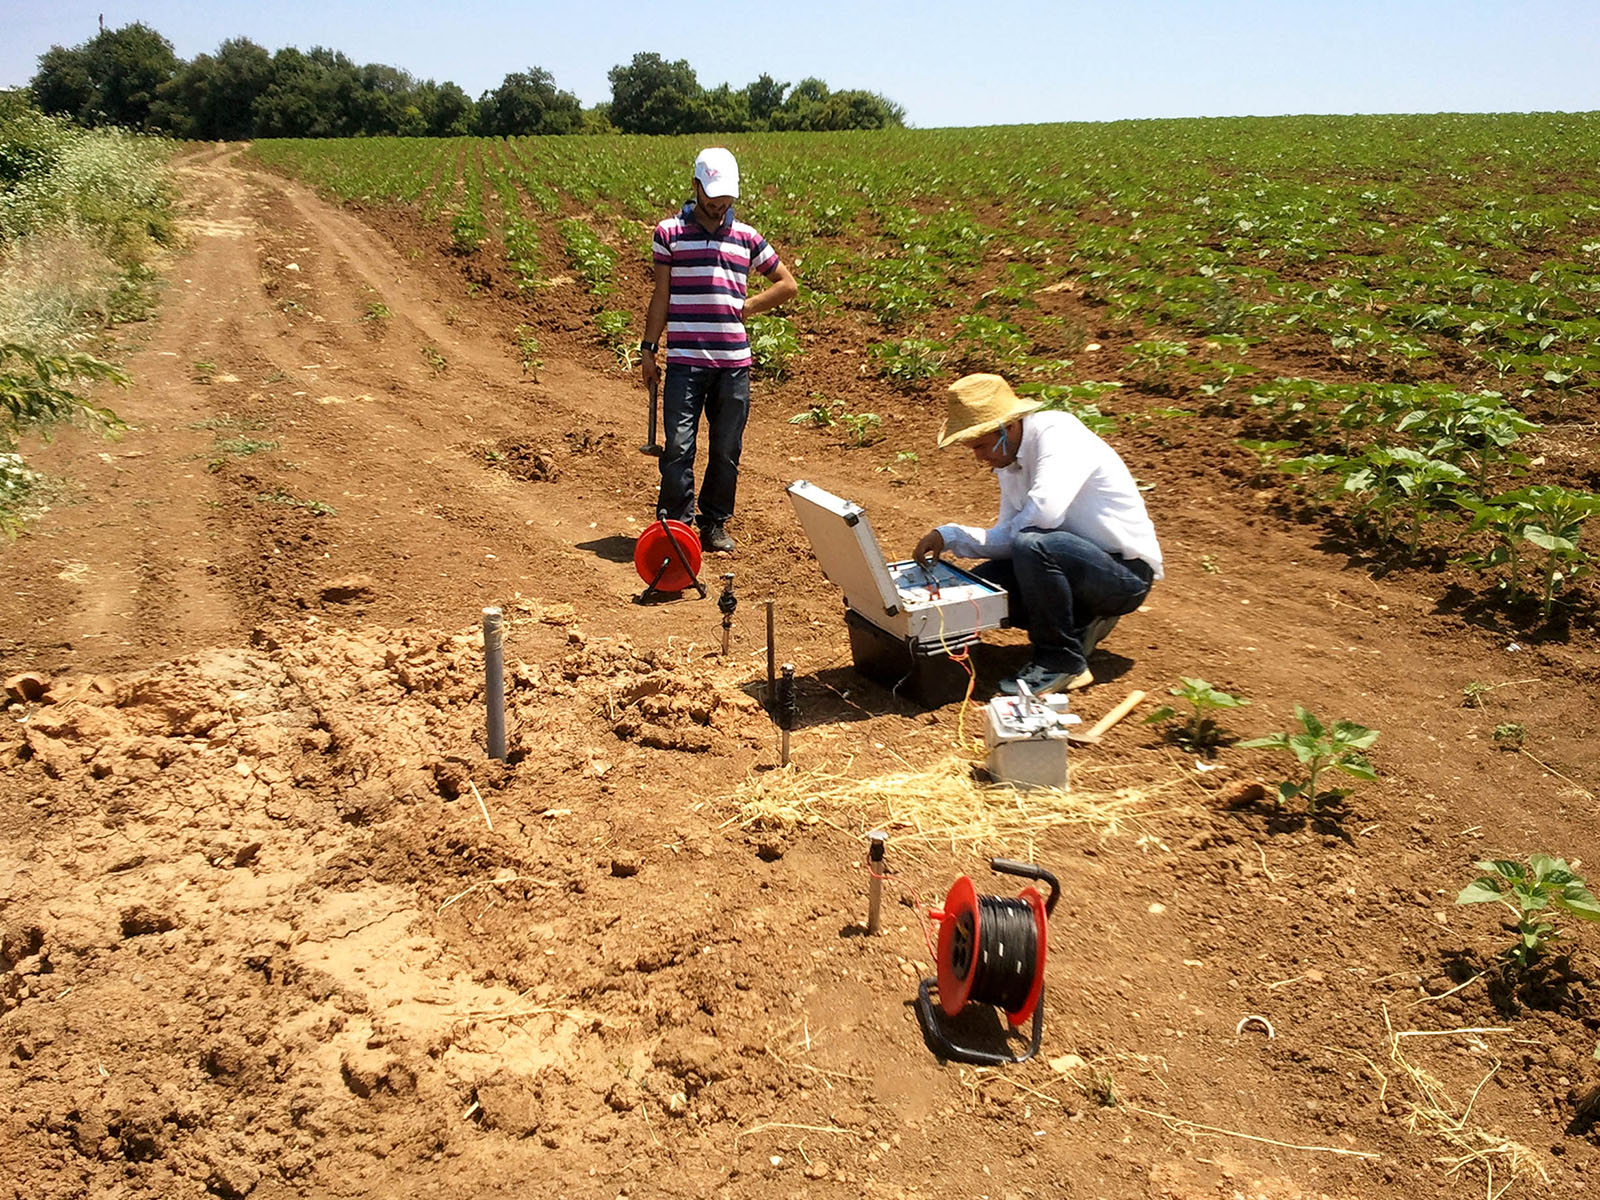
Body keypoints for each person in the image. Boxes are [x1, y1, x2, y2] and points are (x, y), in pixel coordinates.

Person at [913, 373, 1162, 695]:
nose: (979, 457)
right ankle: (1081, 621)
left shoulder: (1059, 435)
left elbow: (1043, 516)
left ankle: (1063, 662)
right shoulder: (1009, 461)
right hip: (1072, 566)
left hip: (1124, 576)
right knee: (983, 589)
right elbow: (1008, 535)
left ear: (1007, 427)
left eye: (981, 446)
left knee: (1032, 545)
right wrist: (949, 537)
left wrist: (961, 537)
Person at [639, 147, 798, 554]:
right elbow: (661, 296)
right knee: (679, 447)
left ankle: (714, 523)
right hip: (685, 362)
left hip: (733, 364)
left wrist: (747, 306)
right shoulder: (669, 233)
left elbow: (787, 284)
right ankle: (676, 528)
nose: (718, 207)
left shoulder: (747, 237)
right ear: (696, 187)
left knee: (726, 450)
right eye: (712, 199)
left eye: (725, 200)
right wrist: (648, 349)